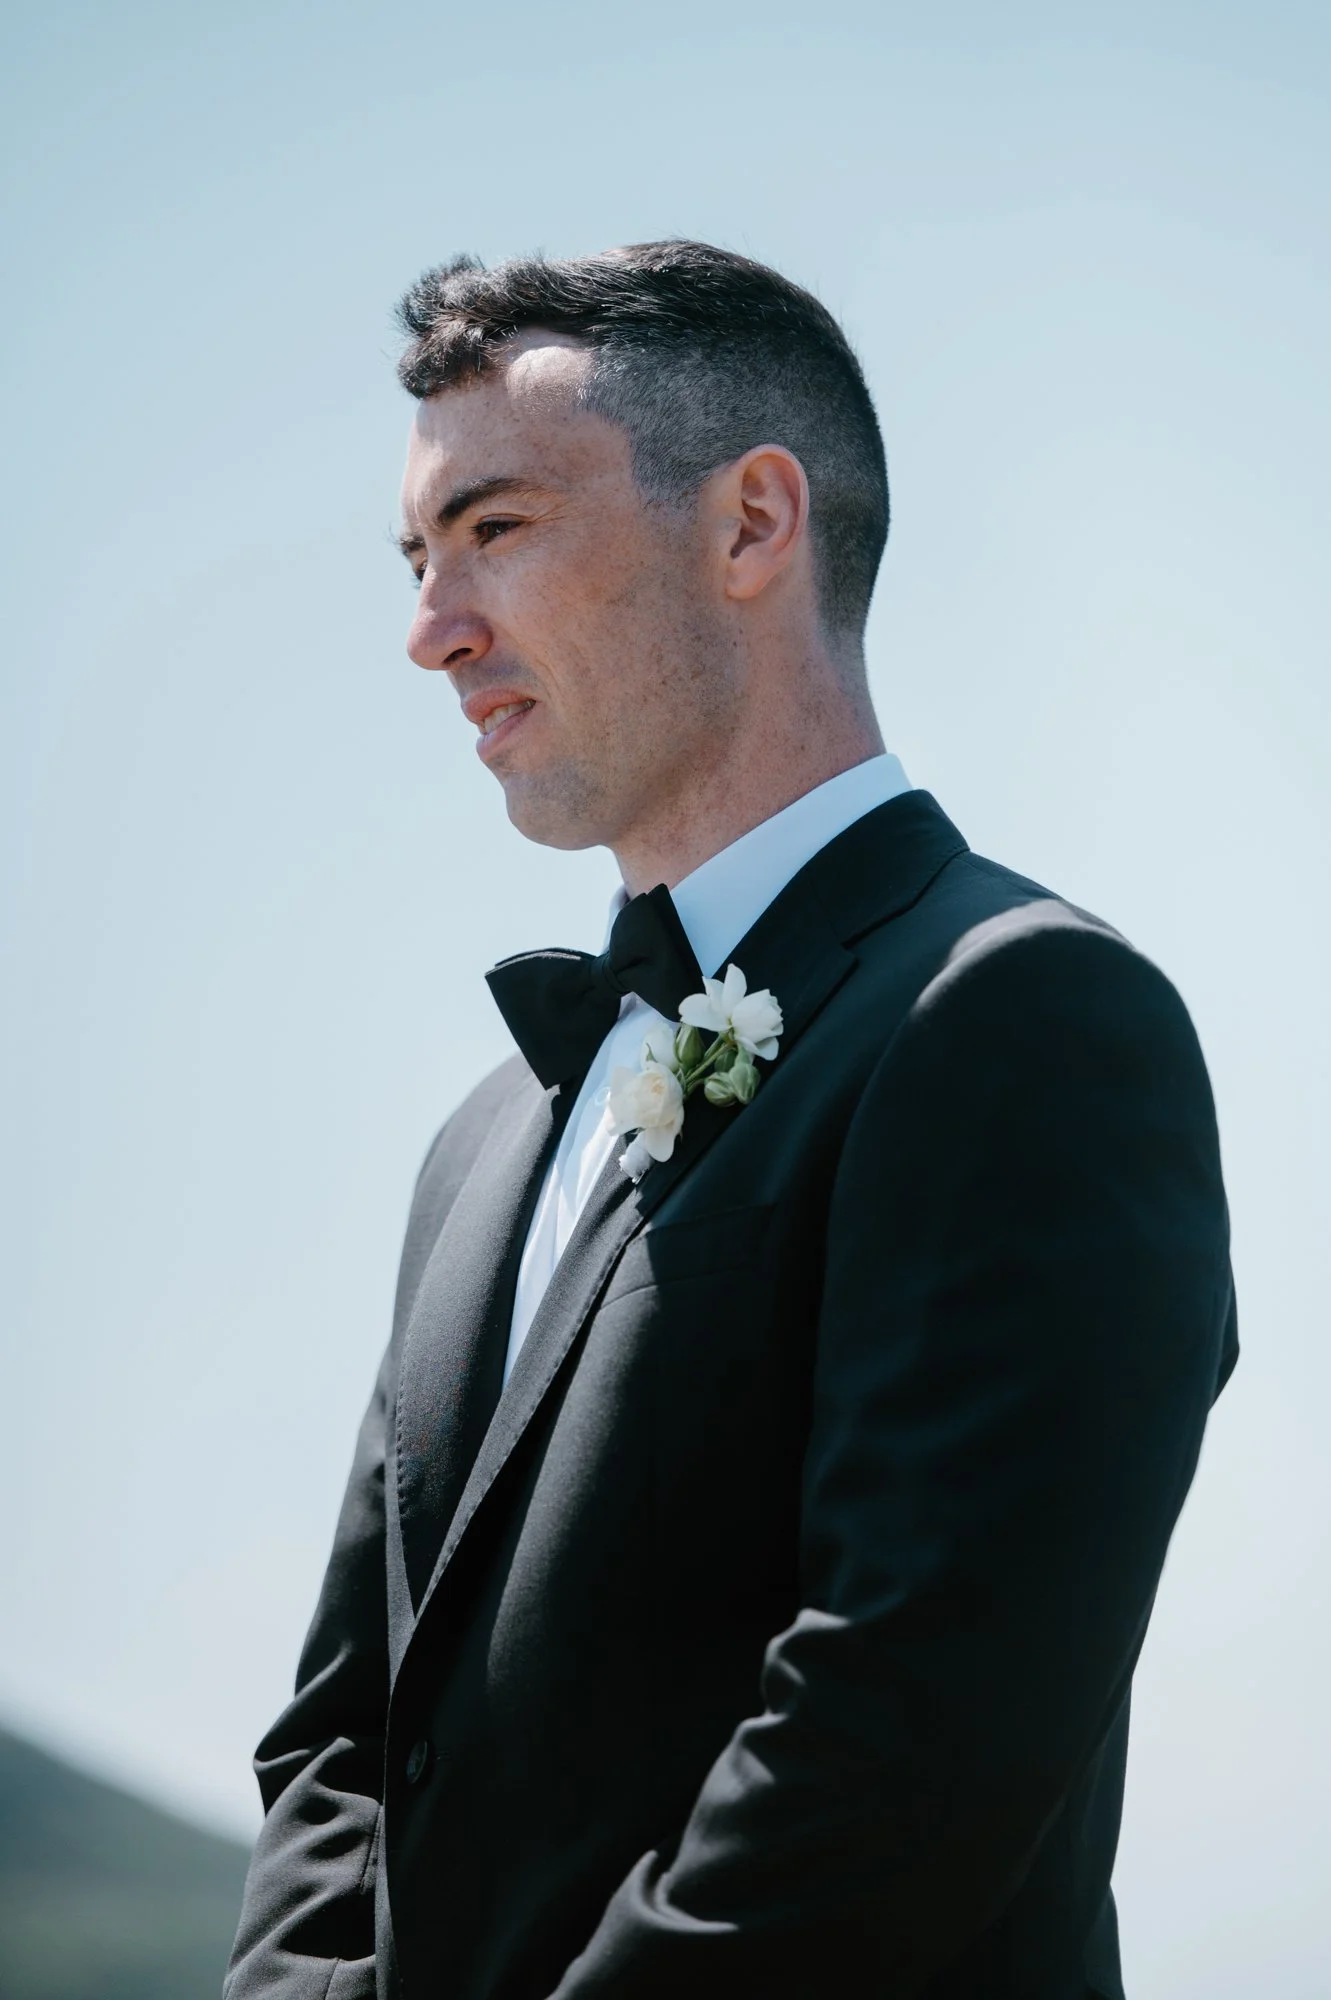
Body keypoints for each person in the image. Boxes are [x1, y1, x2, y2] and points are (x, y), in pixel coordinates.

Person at [225, 241, 1236, 2000]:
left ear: (753, 524)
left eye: (497, 528)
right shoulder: (484, 1139)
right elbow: (340, 1743)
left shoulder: (1025, 1017)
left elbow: (906, 1744)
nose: (428, 631)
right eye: (416, 558)